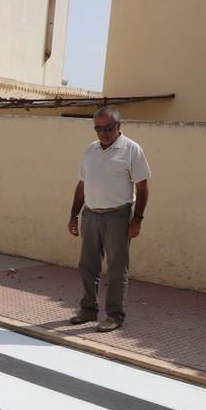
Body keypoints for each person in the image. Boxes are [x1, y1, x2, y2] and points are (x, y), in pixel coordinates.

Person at [67, 105, 151, 332]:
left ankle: (114, 315)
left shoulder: (132, 150)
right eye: (98, 128)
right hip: (91, 214)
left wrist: (138, 219)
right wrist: (74, 215)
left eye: (108, 128)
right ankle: (88, 309)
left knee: (116, 268)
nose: (103, 132)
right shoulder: (90, 150)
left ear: (119, 126)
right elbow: (82, 185)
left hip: (118, 216)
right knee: (88, 265)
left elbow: (142, 186)